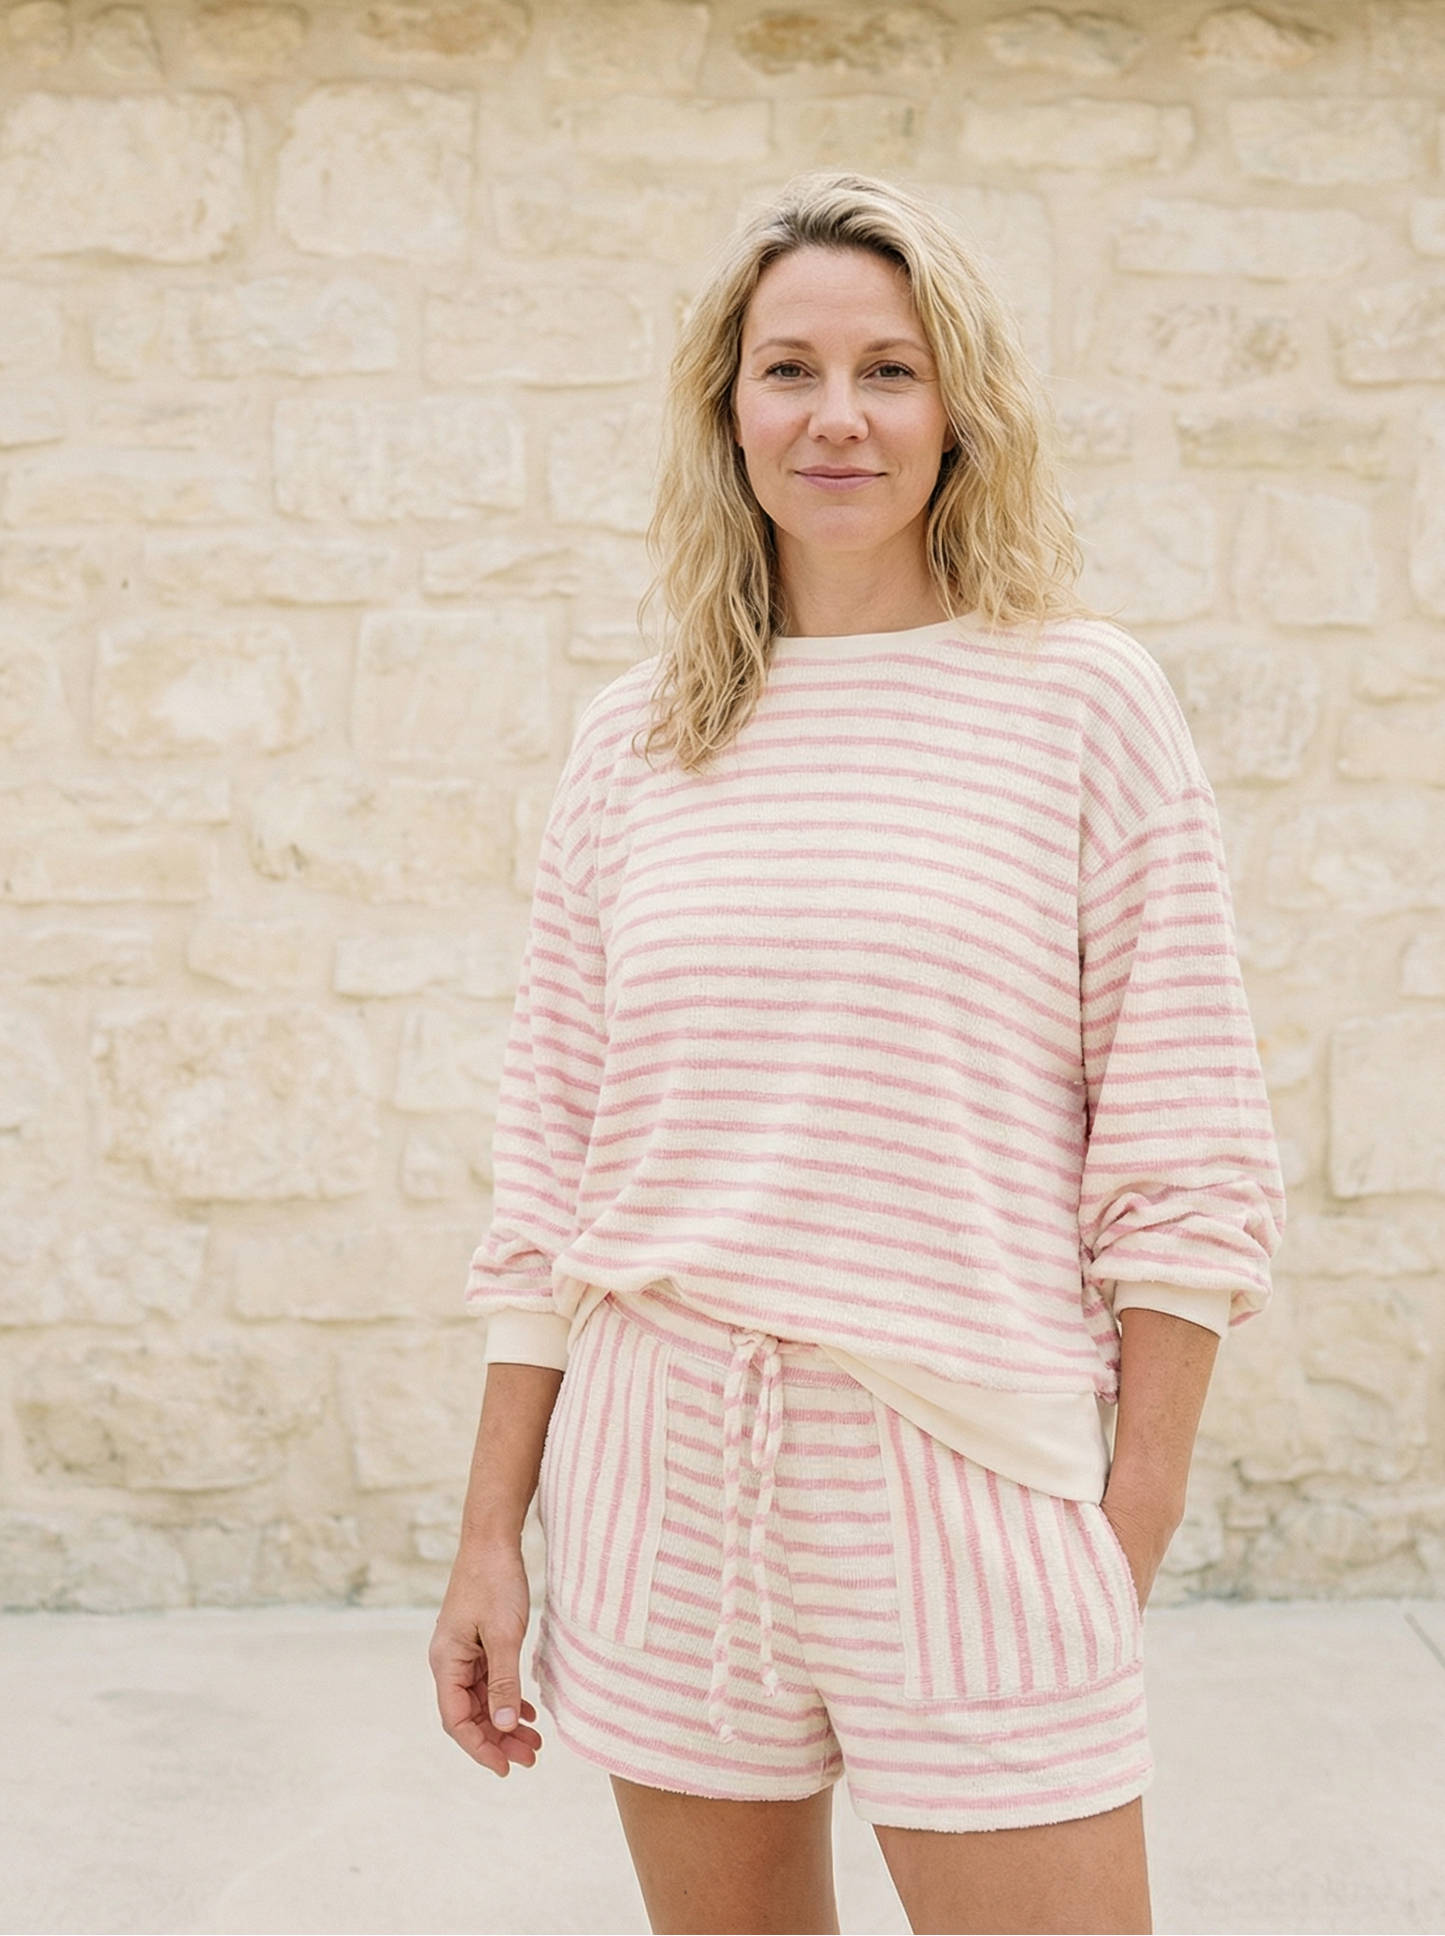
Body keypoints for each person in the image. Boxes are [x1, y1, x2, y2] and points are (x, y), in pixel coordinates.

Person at [429, 172, 1284, 1936]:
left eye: (890, 370)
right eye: (788, 368)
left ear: (958, 409)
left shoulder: (1081, 702)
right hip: (664, 1471)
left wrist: (1126, 1508)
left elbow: (1187, 1143)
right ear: (724, 408)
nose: (837, 416)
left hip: (965, 1471)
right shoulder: (636, 740)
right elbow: (555, 1167)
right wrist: (492, 1534)